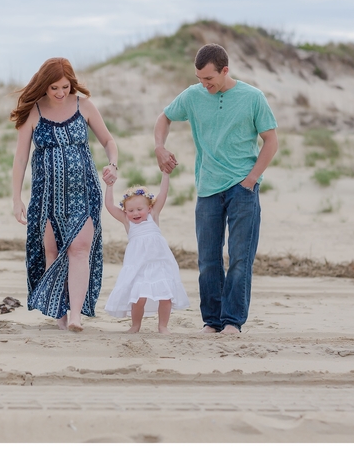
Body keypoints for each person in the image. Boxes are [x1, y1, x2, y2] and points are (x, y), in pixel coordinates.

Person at [153, 43, 278, 335]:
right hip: (207, 187)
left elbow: (271, 141)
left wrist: (251, 180)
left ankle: (232, 321)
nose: (204, 84)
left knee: (239, 258)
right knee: (208, 260)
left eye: (208, 79)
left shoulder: (253, 97)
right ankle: (212, 321)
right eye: (199, 79)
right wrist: (159, 147)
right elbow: (164, 118)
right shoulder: (194, 95)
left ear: (225, 70)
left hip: (242, 188)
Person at [10, 57, 119, 332]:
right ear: (44, 86)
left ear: (72, 83)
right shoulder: (34, 111)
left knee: (80, 249)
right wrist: (16, 198)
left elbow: (108, 141)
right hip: (46, 196)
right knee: (53, 251)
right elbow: (21, 158)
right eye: (54, 88)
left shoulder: (84, 106)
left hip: (85, 192)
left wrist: (113, 165)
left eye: (65, 87)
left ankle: (76, 317)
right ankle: (60, 316)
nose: (60, 93)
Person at [104, 172, 190, 334]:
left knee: (165, 296)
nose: (135, 213)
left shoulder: (153, 216)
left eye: (139, 209)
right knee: (138, 297)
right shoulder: (127, 221)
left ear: (149, 208)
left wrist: (165, 174)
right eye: (130, 210)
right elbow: (109, 206)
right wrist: (109, 186)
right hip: (138, 266)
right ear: (126, 211)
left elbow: (163, 194)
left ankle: (163, 326)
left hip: (159, 263)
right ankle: (135, 325)